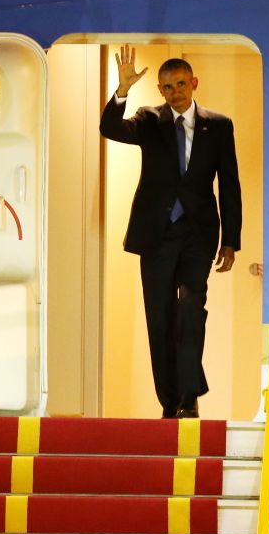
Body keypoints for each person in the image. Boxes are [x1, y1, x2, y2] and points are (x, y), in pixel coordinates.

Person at [100, 45, 242, 419]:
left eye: (180, 84)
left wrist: (231, 240)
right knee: (159, 317)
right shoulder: (149, 120)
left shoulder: (220, 125)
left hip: (198, 234)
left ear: (193, 83)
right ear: (160, 91)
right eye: (167, 86)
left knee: (192, 308)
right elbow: (110, 129)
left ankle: (190, 394)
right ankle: (171, 402)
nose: (175, 91)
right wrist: (122, 91)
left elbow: (230, 184)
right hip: (156, 235)